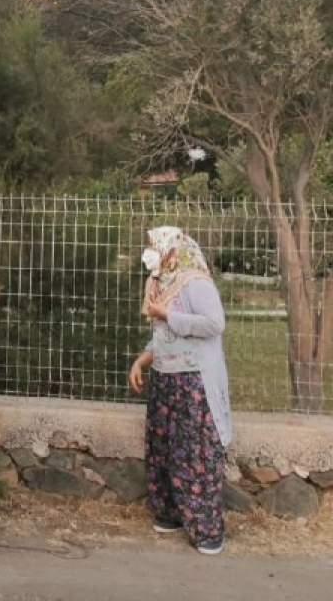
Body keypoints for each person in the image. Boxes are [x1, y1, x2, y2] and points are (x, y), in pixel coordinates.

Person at [128, 226, 231, 556]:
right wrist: (141, 361)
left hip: (193, 381)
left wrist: (167, 313)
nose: (149, 253)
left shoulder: (195, 282)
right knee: (164, 447)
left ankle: (206, 530)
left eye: (154, 246)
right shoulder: (161, 282)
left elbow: (214, 323)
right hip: (165, 378)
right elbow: (163, 335)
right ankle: (169, 513)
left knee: (195, 451)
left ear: (173, 250)